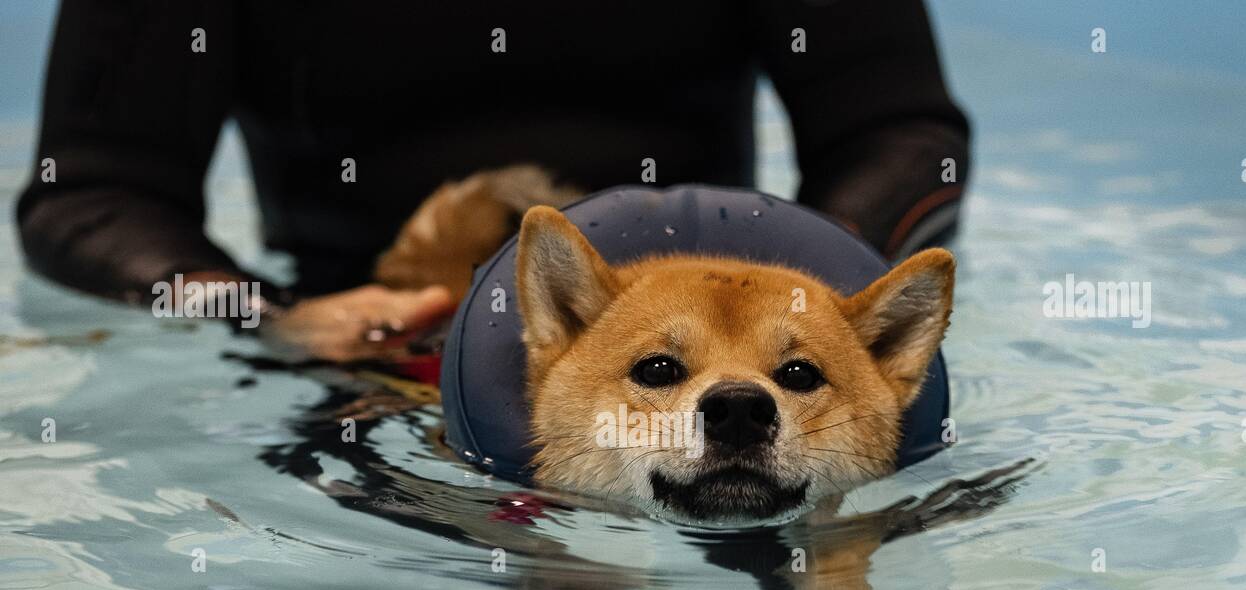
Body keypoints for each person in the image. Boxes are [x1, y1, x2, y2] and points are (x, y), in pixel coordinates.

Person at [17, 0, 969, 362]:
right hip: (365, 348)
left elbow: (901, 134)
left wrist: (811, 299)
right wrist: (269, 319)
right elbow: (92, 193)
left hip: (723, 332)